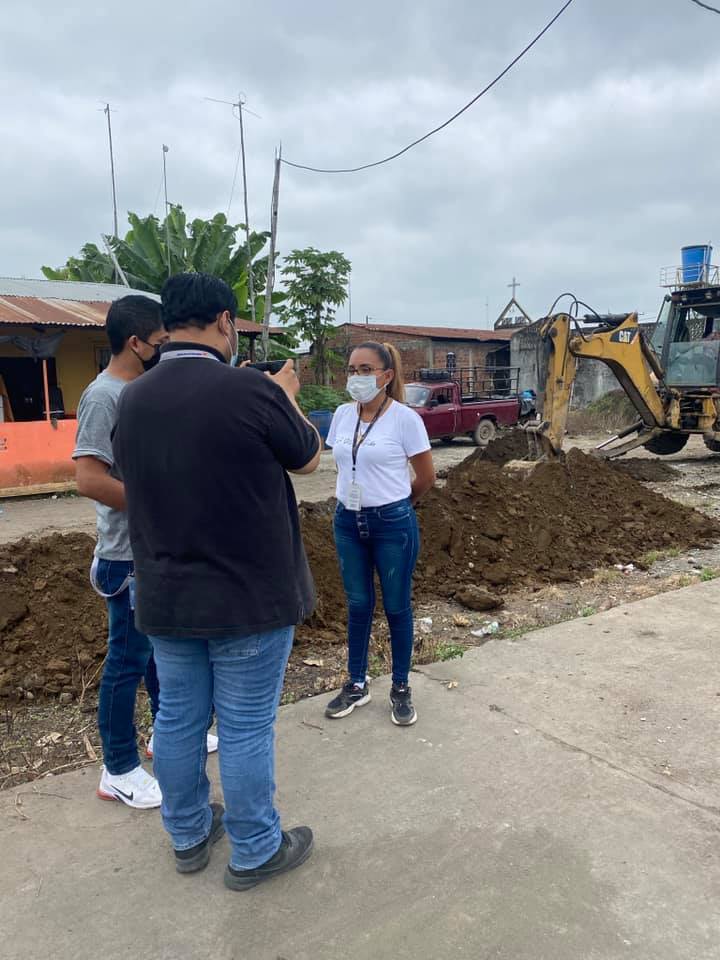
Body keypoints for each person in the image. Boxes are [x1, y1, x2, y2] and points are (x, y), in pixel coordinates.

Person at [112, 272, 321, 889]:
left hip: (166, 594)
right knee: (245, 727)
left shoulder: (133, 399)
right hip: (247, 597)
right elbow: (309, 458)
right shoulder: (249, 391)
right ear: (226, 322)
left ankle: (188, 833)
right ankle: (256, 848)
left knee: (178, 719)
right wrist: (284, 394)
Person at [73, 295, 216, 810]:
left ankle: (162, 735)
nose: (166, 350)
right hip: (125, 556)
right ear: (135, 343)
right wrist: (158, 503)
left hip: (152, 550)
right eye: (160, 343)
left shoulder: (140, 392)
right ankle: (118, 768)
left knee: (157, 651)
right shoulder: (104, 396)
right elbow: (89, 478)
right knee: (127, 661)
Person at [325, 341, 436, 726]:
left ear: (386, 376)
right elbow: (342, 464)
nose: (356, 377)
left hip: (391, 525)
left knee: (396, 606)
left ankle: (401, 685)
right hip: (347, 522)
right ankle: (356, 682)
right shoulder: (342, 415)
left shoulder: (405, 419)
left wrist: (399, 505)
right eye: (351, 370)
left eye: (365, 370)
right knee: (358, 605)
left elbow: (426, 477)